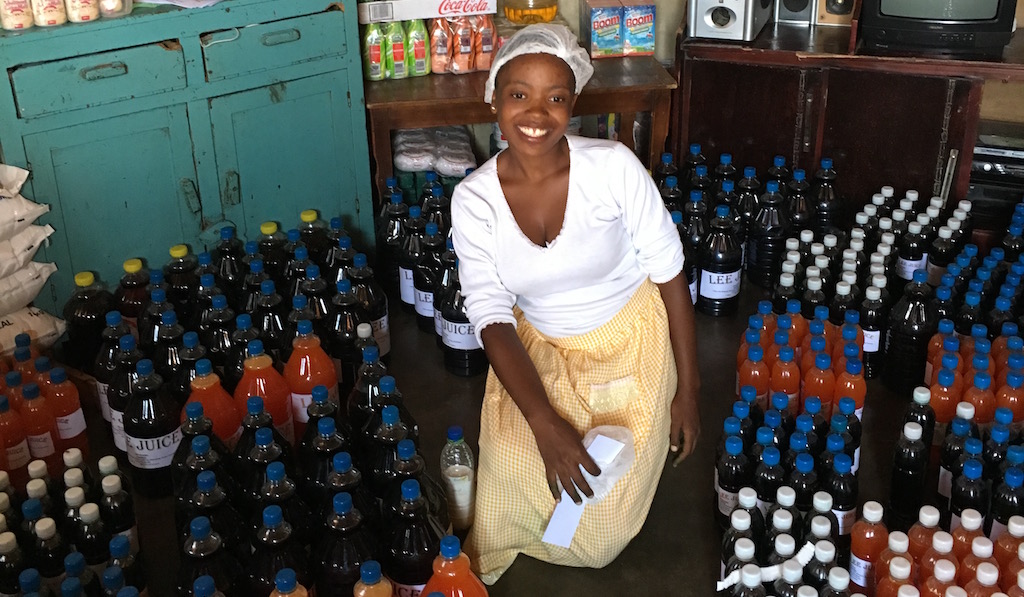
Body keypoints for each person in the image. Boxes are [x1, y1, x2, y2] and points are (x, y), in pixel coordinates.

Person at [450, 24, 702, 584]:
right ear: (493, 98)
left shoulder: (612, 168)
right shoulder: (473, 201)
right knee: (507, 492)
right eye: (519, 94)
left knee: (598, 534)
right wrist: (543, 424)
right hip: (538, 345)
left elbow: (669, 272)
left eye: (555, 98)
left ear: (573, 105)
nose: (536, 113)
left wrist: (689, 389)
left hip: (627, 341)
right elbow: (490, 313)